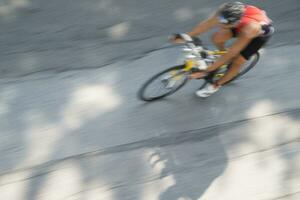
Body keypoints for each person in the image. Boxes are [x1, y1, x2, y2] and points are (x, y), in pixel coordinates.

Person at [172, 2, 274, 97]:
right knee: (216, 38)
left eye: (224, 22)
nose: (220, 24)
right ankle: (222, 56)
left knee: (237, 60)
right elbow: (207, 24)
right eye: (221, 19)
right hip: (241, 23)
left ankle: (216, 85)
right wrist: (186, 36)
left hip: (257, 35)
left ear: (235, 22)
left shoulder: (250, 29)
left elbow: (231, 53)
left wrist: (207, 71)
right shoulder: (226, 11)